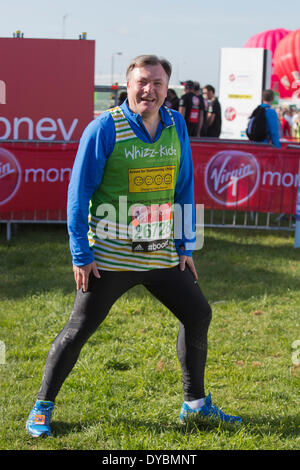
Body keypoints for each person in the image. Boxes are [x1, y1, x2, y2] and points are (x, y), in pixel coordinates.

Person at [26, 54, 242, 438]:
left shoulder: (176, 125)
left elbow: (185, 186)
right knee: (78, 329)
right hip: (109, 257)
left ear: (167, 89)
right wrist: (81, 254)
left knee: (198, 315)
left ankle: (194, 405)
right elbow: (78, 196)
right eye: (142, 81)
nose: (150, 90)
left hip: (160, 251)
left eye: (158, 83)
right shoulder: (103, 129)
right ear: (127, 85)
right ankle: (42, 406)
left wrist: (186, 246)